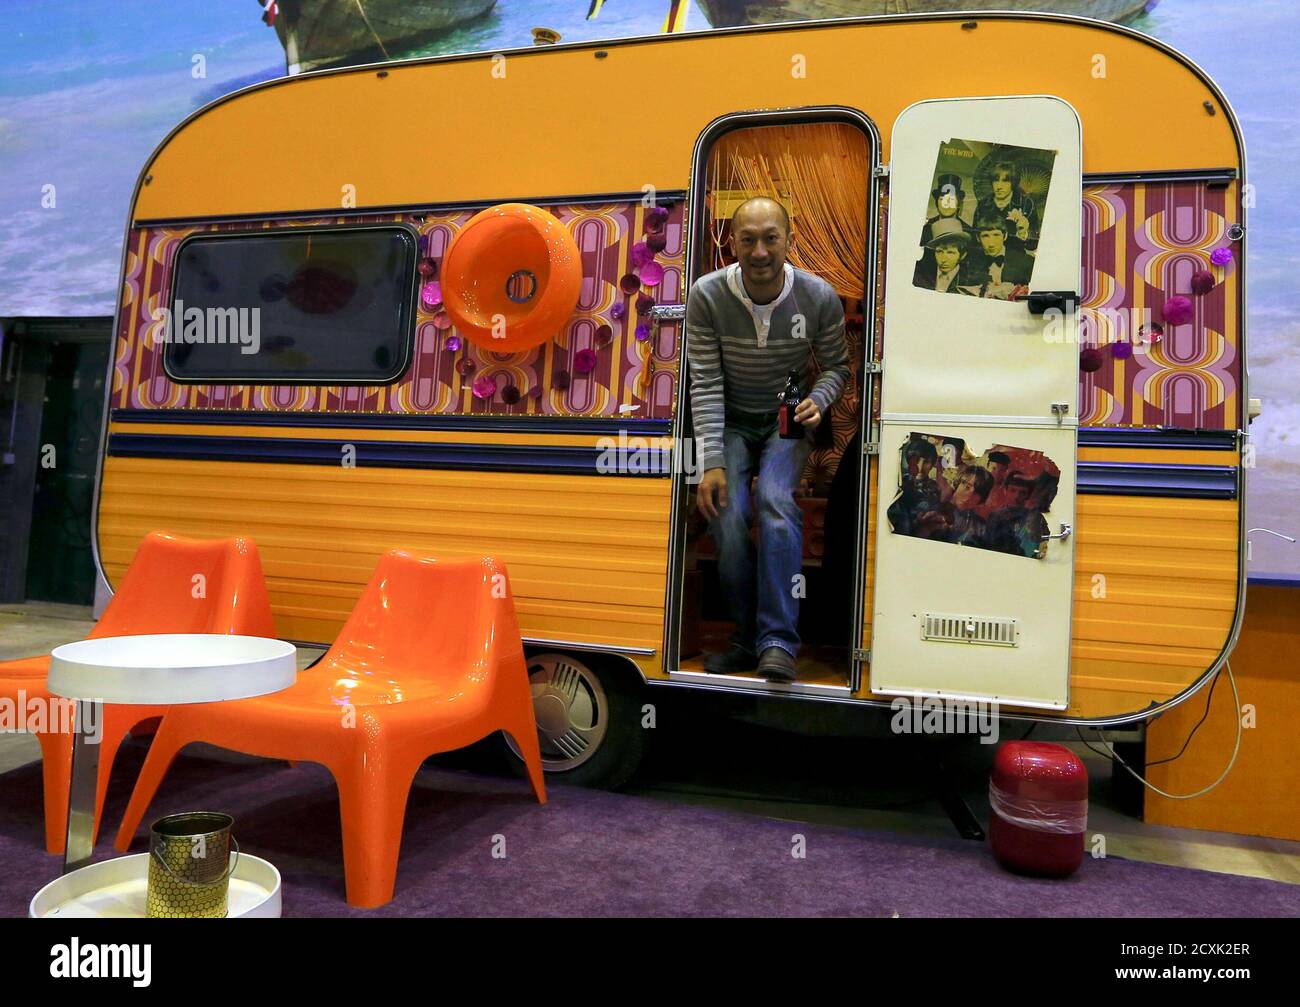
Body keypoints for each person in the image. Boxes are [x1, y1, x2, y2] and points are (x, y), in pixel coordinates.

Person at [686, 196, 850, 682]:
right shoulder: (707, 295)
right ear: (730, 242)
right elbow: (707, 382)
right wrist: (711, 460)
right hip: (731, 421)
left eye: (770, 238)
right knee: (727, 515)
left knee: (777, 503)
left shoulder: (818, 297)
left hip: (785, 421)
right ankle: (744, 638)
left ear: (789, 241)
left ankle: (778, 642)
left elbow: (837, 366)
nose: (759, 251)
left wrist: (819, 399)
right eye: (748, 239)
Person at [974, 159, 1038, 250]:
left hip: (1015, 259)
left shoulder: (1026, 204)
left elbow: (1034, 244)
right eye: (996, 180)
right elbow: (975, 239)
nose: (999, 186)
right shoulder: (983, 204)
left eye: (1005, 181)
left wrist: (1024, 233)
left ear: (1013, 182)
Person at [969, 212, 1036, 296]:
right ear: (978, 238)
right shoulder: (970, 262)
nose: (991, 243)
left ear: (1005, 236)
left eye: (996, 235)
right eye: (985, 236)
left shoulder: (1025, 261)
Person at [986, 474, 1050, 558]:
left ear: (1027, 496)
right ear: (1005, 490)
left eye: (1022, 493)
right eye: (1013, 490)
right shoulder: (994, 517)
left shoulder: (1035, 519)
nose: (1016, 496)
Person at [913, 218, 975, 294]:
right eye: (939, 251)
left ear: (963, 255)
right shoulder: (920, 274)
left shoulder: (969, 281)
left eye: (950, 252)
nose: (943, 259)